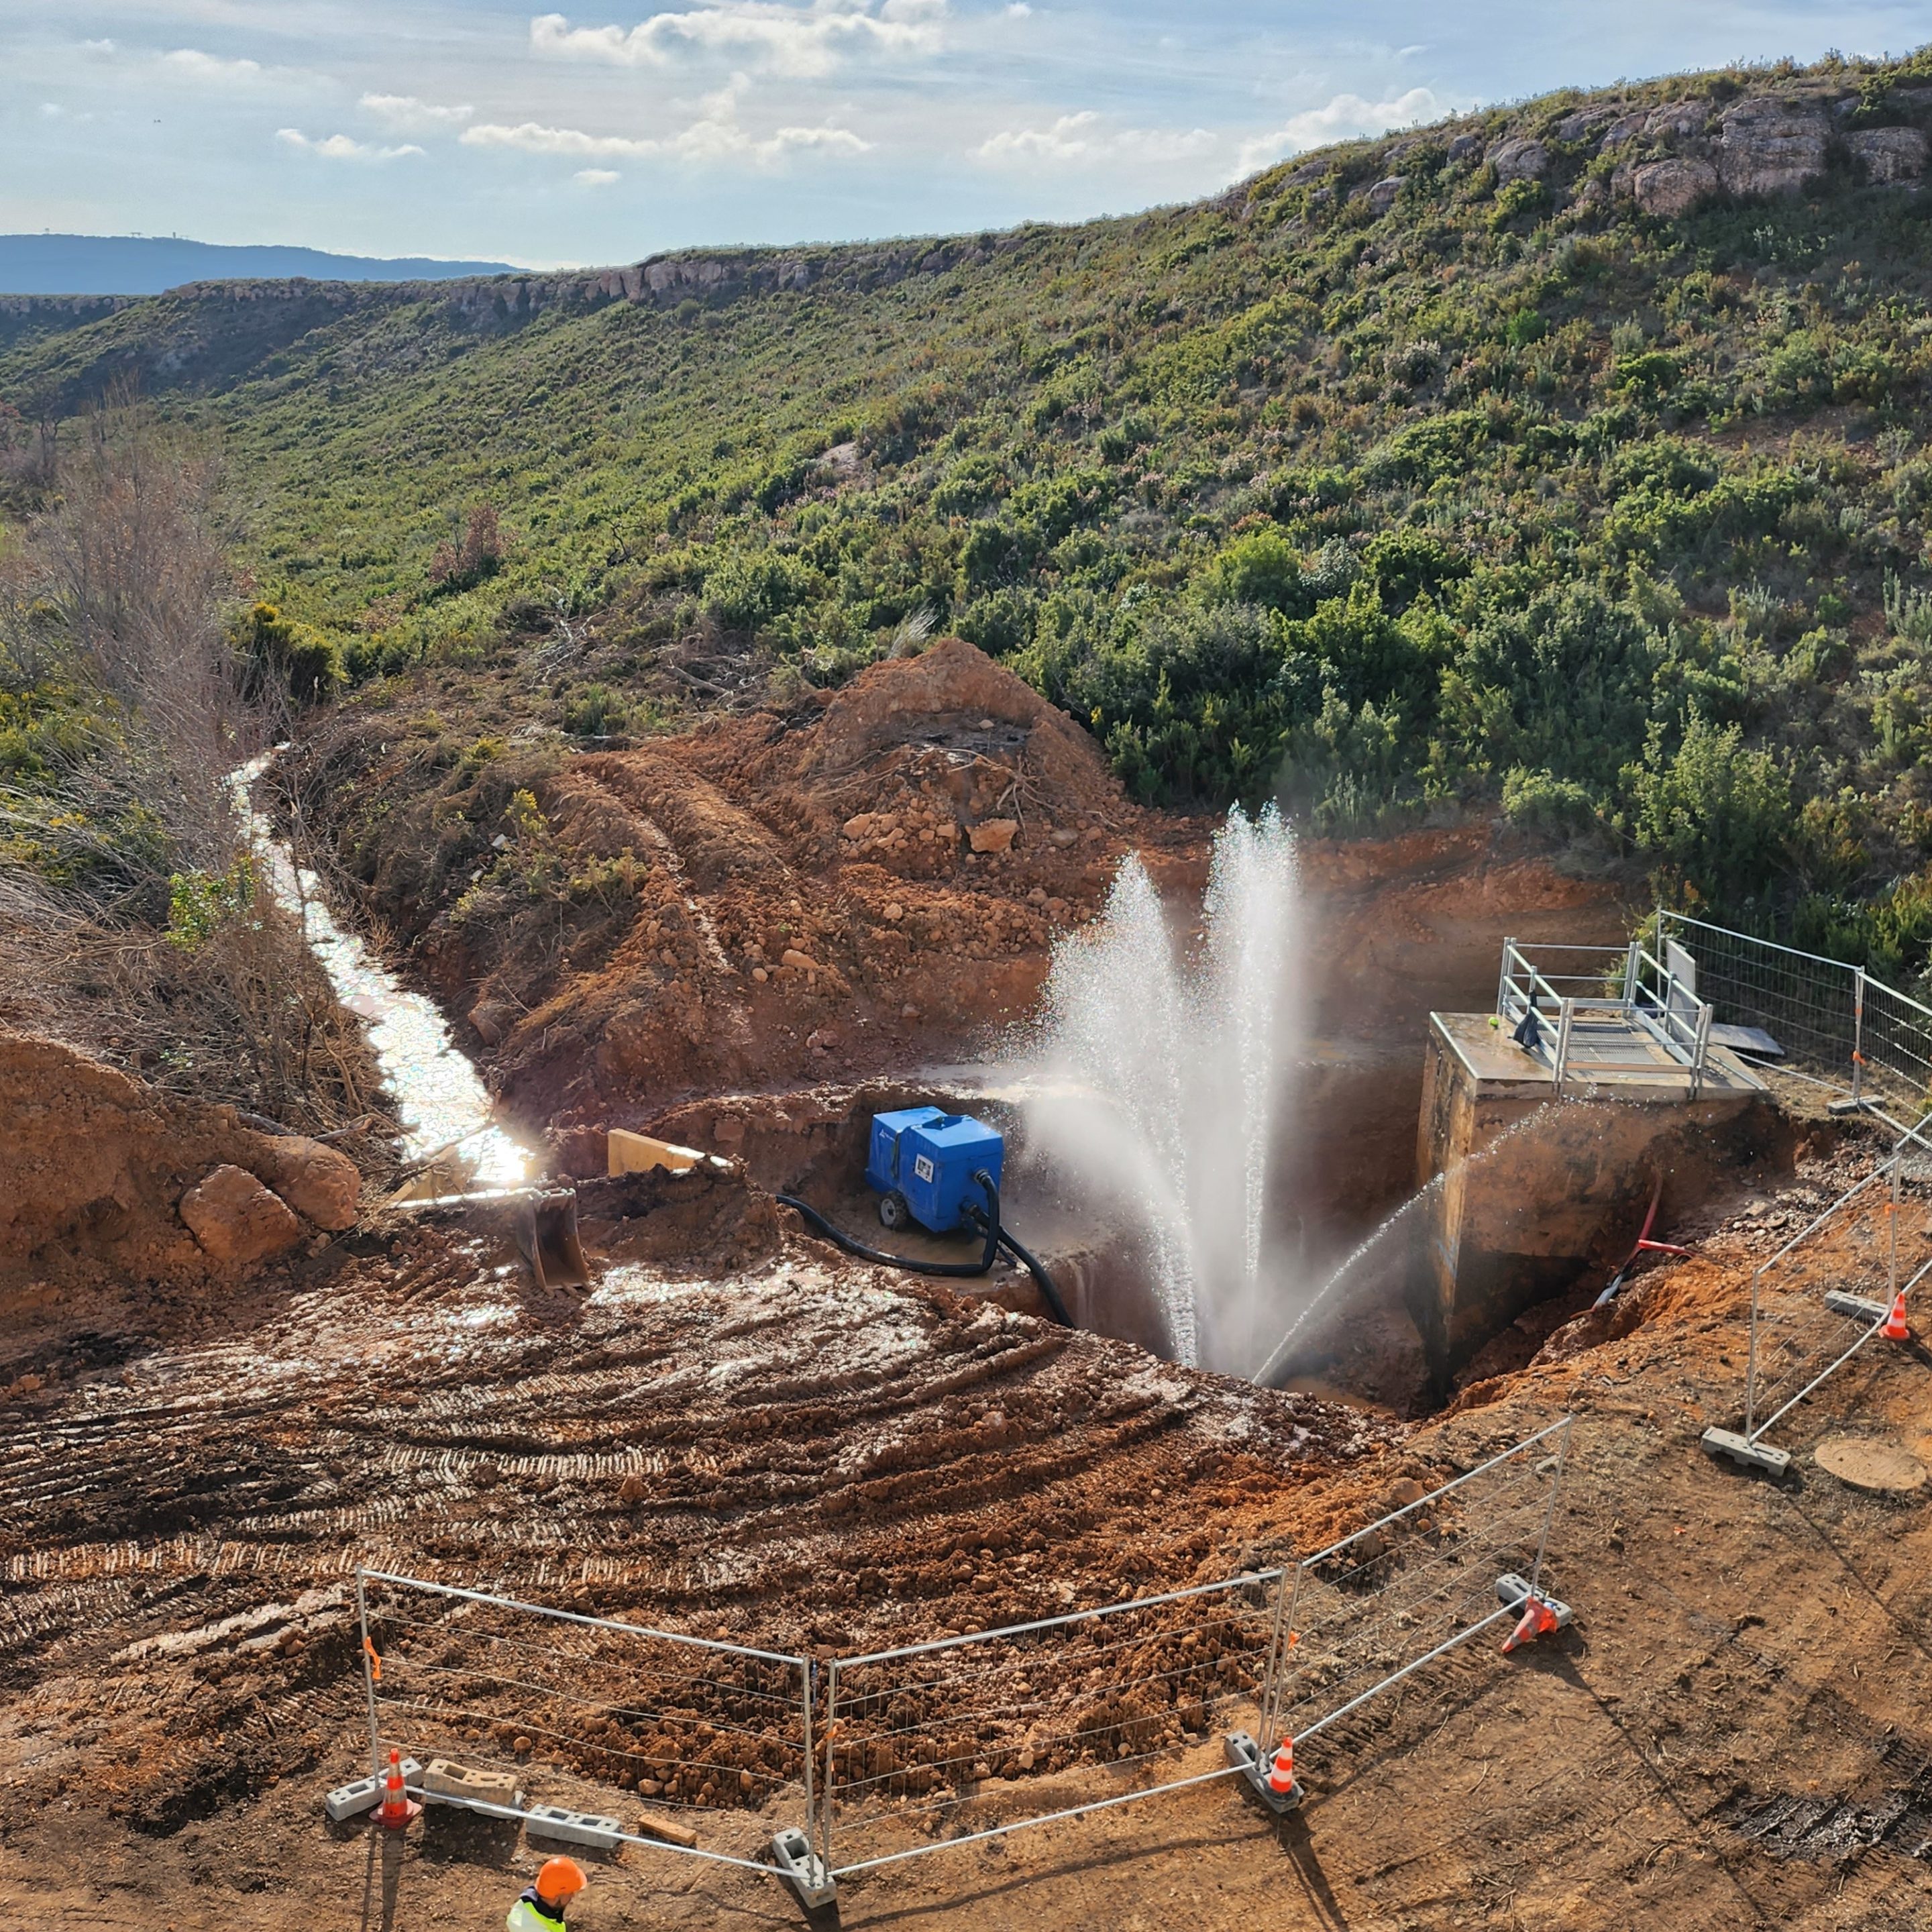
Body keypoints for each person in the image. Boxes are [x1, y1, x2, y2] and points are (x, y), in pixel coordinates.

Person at [506, 1857, 586, 1930]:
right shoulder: (535, 1928)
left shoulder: (527, 1904)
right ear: (556, 1897)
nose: (573, 1895)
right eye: (570, 1892)